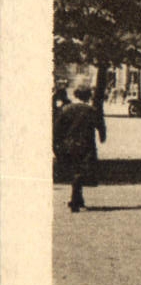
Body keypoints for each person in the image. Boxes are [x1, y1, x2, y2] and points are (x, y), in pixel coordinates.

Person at [54, 84, 105, 212]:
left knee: (75, 171)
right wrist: (102, 137)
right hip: (86, 145)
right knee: (81, 172)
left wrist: (56, 145)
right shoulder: (92, 110)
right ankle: (75, 199)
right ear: (88, 96)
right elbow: (101, 126)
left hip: (69, 145)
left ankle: (77, 197)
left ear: (75, 95)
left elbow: (57, 129)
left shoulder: (66, 109)